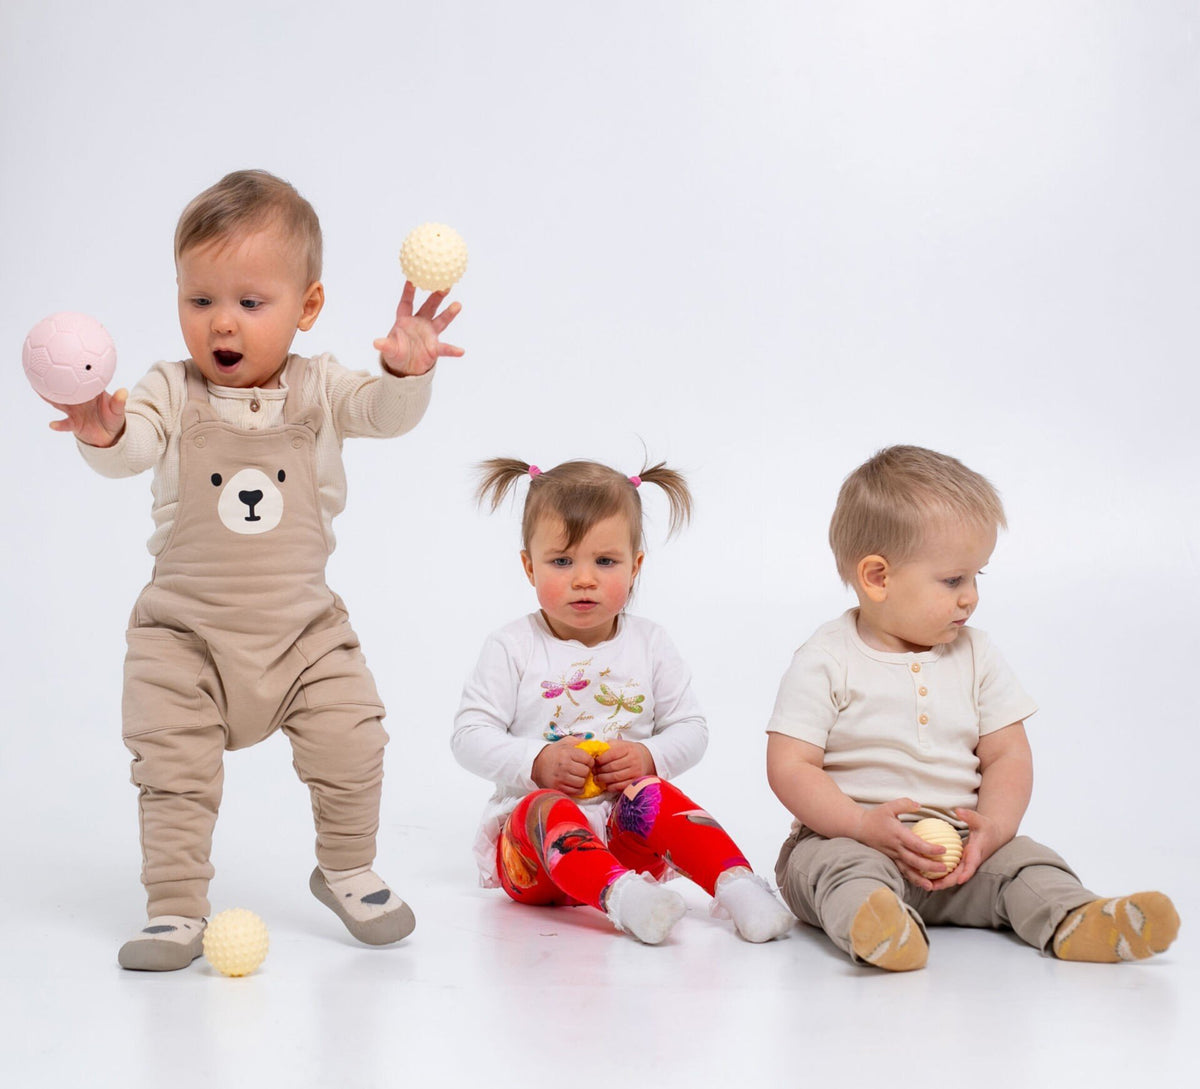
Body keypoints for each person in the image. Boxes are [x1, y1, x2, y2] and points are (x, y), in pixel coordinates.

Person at [45, 169, 464, 970]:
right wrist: (100, 431)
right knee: (170, 770)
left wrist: (409, 371)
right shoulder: (171, 390)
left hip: (303, 634)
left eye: (249, 301)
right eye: (199, 300)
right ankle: (174, 906)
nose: (220, 323)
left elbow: (386, 414)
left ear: (306, 308)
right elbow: (132, 450)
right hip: (183, 638)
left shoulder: (323, 387)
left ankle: (347, 866)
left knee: (355, 736)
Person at [766, 445, 1180, 971]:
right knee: (838, 872)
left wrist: (995, 828)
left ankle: (1078, 919)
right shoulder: (827, 658)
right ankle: (879, 926)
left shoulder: (977, 655)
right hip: (850, 839)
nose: (971, 597)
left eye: (978, 576)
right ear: (878, 577)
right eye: (954, 580)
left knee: (1027, 863)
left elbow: (1008, 755)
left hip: (962, 853)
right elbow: (789, 766)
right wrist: (861, 824)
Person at [451, 458, 793, 944]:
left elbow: (691, 728)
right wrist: (536, 760)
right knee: (543, 806)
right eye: (562, 561)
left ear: (635, 566)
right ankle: (624, 900)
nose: (584, 578)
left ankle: (737, 886)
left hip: (625, 838)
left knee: (655, 796)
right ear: (529, 565)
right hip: (535, 860)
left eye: (605, 561)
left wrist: (648, 755)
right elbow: (468, 736)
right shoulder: (512, 646)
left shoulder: (651, 643)